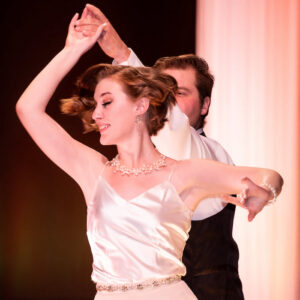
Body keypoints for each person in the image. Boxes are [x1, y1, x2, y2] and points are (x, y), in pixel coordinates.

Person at [16, 12, 283, 300]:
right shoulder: (93, 170)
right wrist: (71, 51)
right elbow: (28, 109)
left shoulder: (184, 172)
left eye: (106, 102)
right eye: (95, 104)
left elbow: (270, 177)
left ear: (141, 106)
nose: (96, 113)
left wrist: (264, 192)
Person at [75, 4, 245, 298]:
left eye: (178, 93)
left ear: (205, 105)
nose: (165, 101)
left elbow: (174, 125)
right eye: (160, 91)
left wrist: (122, 53)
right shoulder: (126, 163)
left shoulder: (205, 150)